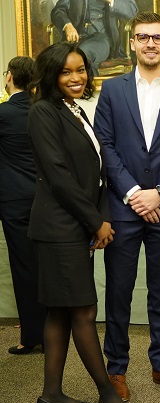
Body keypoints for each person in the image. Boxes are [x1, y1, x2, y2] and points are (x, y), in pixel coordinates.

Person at [94, 11, 160, 399]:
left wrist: (159, 192)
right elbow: (104, 146)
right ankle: (117, 370)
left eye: (158, 37)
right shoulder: (113, 90)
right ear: (133, 44)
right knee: (119, 290)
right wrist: (133, 194)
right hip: (123, 209)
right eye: (143, 37)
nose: (151, 44)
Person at [28, 41, 134, 403]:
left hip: (75, 225)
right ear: (52, 75)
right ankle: (108, 392)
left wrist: (98, 217)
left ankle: (51, 394)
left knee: (60, 312)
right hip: (58, 229)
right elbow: (58, 176)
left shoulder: (74, 110)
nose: (76, 78)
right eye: (66, 72)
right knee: (84, 313)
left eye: (80, 70)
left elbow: (95, 174)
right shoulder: (42, 111)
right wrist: (96, 221)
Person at [0, 56, 47, 355]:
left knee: (23, 268)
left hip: (14, 201)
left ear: (10, 77)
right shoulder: (42, 110)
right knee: (45, 265)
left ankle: (31, 336)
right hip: (45, 200)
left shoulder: (3, 113)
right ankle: (50, 328)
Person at [51, 0, 138, 74]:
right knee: (53, 60)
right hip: (76, 39)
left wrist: (111, 1)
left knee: (82, 54)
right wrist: (67, 25)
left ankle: (88, 90)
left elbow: (132, 10)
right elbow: (58, 10)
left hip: (103, 40)